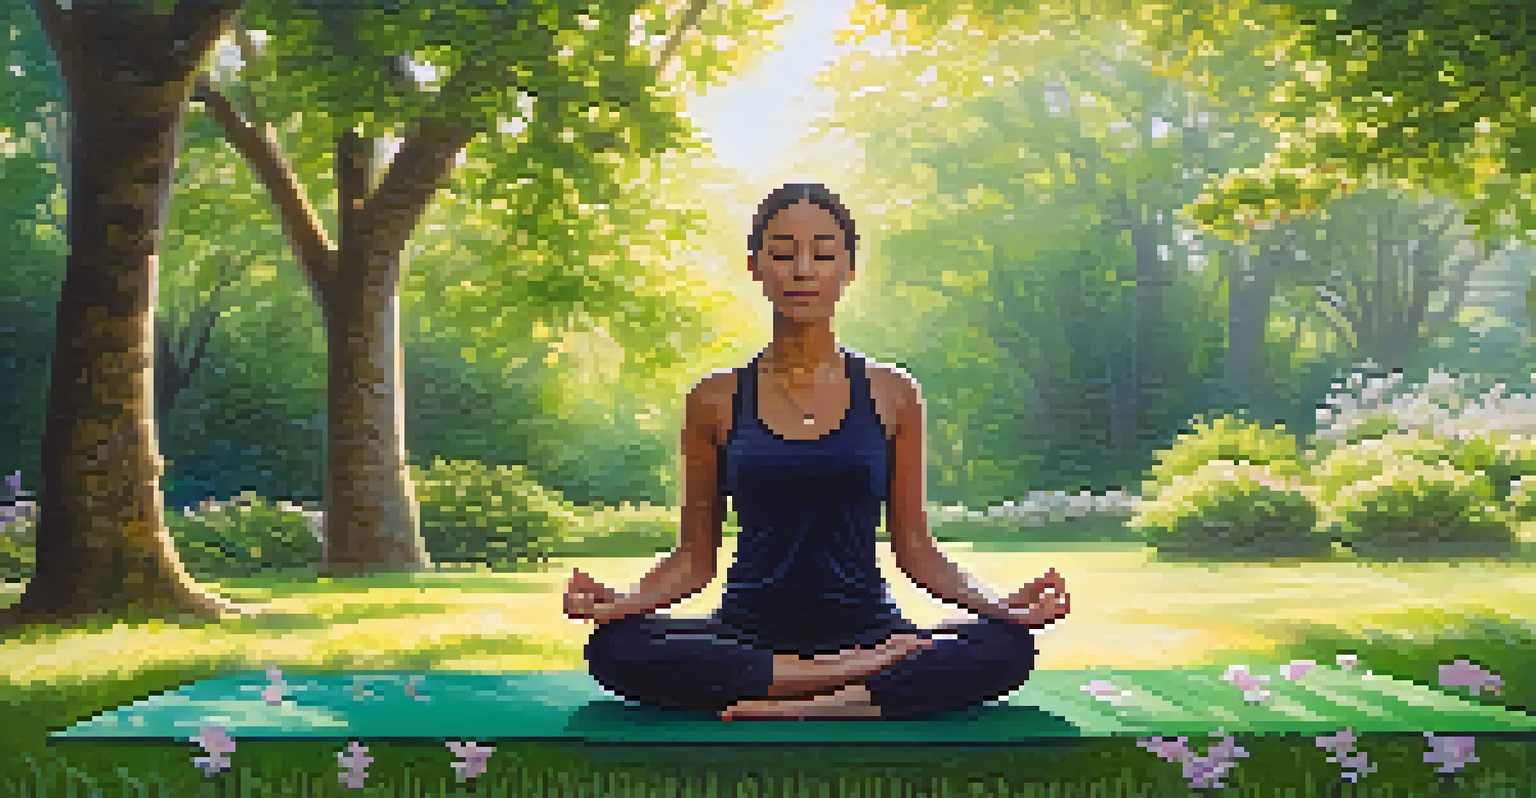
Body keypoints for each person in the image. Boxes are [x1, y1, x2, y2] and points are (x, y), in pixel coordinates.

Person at [565, 183, 1071, 721]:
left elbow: (917, 552)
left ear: (848, 270)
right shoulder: (712, 400)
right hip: (747, 634)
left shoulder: (894, 395)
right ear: (756, 267)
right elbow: (693, 562)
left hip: (869, 628)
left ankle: (793, 700)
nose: (803, 269)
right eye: (783, 254)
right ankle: (843, 684)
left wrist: (1002, 607)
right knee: (615, 647)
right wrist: (619, 604)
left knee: (1007, 648)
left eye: (823, 254)